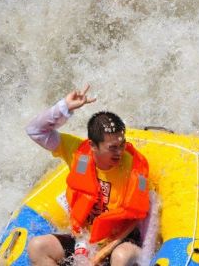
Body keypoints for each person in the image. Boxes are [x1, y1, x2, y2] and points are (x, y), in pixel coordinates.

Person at [25, 85, 150, 266]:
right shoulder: (78, 152)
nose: (120, 152)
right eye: (112, 148)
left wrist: (104, 252)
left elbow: (138, 215)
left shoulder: (134, 167)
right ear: (93, 146)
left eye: (122, 145)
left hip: (121, 243)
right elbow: (35, 131)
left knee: (120, 257)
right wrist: (64, 107)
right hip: (86, 239)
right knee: (38, 247)